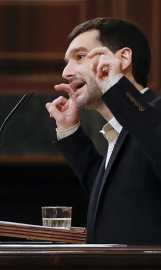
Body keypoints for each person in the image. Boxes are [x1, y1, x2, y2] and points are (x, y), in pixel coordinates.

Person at [46, 17, 161, 245]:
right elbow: (116, 195)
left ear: (123, 59)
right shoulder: (121, 132)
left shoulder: (153, 118)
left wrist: (117, 87)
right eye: (66, 62)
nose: (66, 72)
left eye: (79, 57)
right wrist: (70, 132)